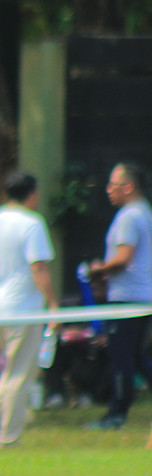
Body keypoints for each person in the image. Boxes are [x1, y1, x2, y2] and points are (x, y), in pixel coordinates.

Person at [0, 171, 58, 448]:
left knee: (16, 367)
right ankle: (8, 437)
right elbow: (39, 267)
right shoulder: (32, 223)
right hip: (24, 308)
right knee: (22, 373)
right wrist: (53, 304)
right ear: (31, 194)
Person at [87, 162, 152, 430]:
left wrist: (98, 270)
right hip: (142, 296)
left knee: (121, 357)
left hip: (127, 298)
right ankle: (118, 410)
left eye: (112, 185)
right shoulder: (145, 213)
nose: (108, 190)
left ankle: (116, 414)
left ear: (128, 187)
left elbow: (124, 259)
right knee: (137, 357)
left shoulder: (128, 216)